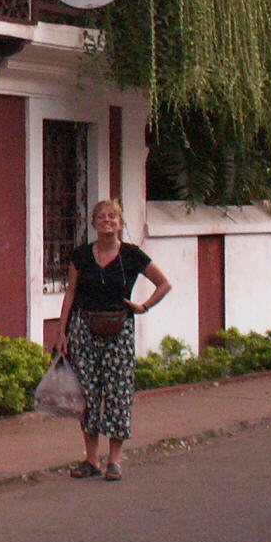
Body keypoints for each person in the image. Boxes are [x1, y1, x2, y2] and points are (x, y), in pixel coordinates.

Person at [49, 198, 170, 481]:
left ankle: (114, 460)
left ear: (120, 222)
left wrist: (144, 305)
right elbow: (70, 294)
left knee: (118, 393)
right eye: (102, 217)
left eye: (112, 216)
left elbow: (164, 283)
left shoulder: (132, 255)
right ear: (94, 223)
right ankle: (91, 459)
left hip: (119, 328)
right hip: (84, 328)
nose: (107, 221)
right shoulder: (80, 256)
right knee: (87, 394)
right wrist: (61, 331)